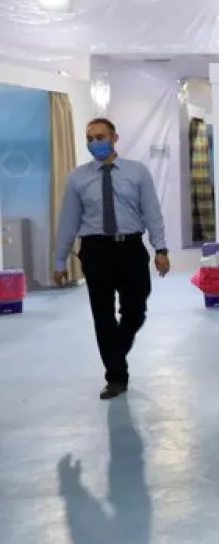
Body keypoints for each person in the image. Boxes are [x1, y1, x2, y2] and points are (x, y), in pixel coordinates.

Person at [52, 118, 171, 399]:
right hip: (95, 251)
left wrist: (161, 249)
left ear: (114, 138)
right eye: (90, 138)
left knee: (135, 310)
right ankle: (116, 377)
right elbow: (68, 221)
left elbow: (152, 212)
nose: (95, 143)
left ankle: (115, 352)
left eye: (100, 137)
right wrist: (59, 261)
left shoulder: (137, 172)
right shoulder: (77, 178)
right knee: (102, 315)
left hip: (130, 248)